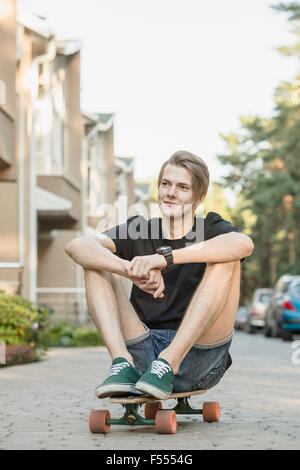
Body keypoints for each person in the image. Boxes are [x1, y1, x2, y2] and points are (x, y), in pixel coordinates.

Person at [65, 150, 254, 400]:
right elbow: (77, 246)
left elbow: (243, 244)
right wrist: (129, 270)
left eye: (182, 187)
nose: (171, 192)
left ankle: (168, 362)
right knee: (95, 261)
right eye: (166, 184)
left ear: (199, 196)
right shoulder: (139, 229)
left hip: (198, 356)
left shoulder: (210, 227)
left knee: (227, 259)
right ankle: (121, 364)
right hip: (142, 353)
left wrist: (164, 258)